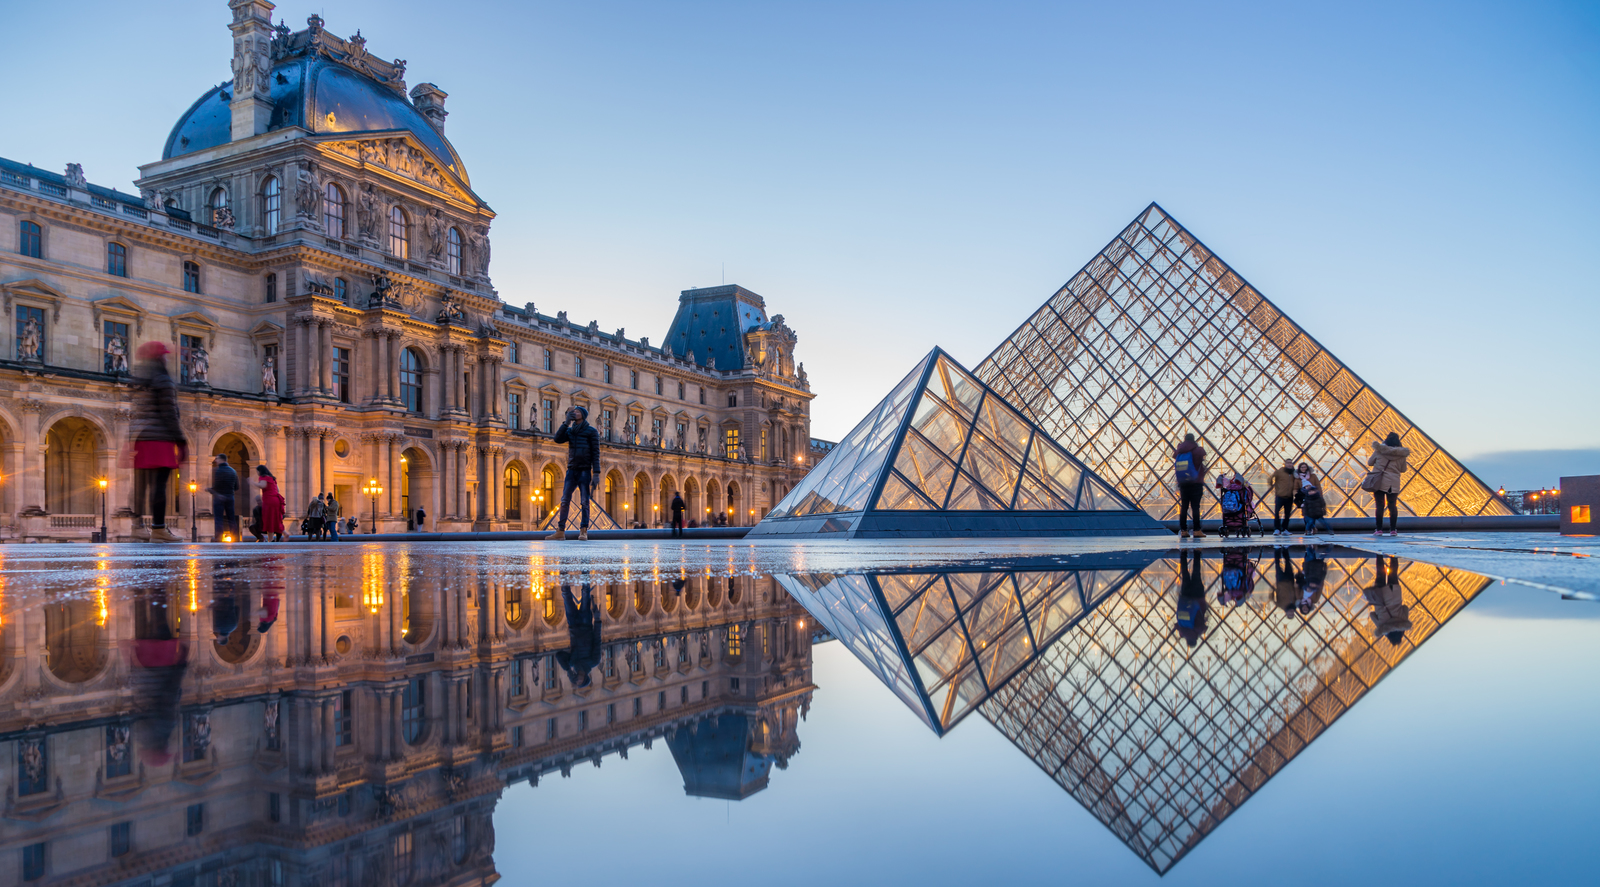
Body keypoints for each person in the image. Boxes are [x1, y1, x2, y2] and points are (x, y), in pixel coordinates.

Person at [128, 342, 187, 542]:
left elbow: (135, 412)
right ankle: (159, 529)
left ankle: (137, 527)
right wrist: (181, 440)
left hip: (140, 437)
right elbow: (170, 413)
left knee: (141, 485)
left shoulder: (139, 381)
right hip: (160, 437)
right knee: (159, 485)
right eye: (165, 356)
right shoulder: (163, 380)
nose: (167, 359)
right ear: (160, 359)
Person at [545, 406, 601, 541]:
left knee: (584, 502)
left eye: (577, 411)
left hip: (585, 470)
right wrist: (565, 423)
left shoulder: (591, 431)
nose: (574, 413)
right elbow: (557, 439)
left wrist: (596, 473)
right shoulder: (570, 431)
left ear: (583, 415)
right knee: (564, 500)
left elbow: (596, 453)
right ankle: (560, 530)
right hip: (571, 469)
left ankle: (583, 530)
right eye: (573, 412)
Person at [555, 583, 601, 687]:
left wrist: (568, 670)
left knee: (566, 595)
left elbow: (559, 655)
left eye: (576, 681)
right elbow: (597, 640)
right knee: (585, 593)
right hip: (586, 624)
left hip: (573, 626)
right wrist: (597, 620)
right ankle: (585, 569)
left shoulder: (572, 663)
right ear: (585, 679)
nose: (577, 680)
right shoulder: (594, 661)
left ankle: (564, 572)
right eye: (579, 681)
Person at [1366, 432, 1411, 537]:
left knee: (1380, 506)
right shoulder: (1401, 454)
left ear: (1386, 440)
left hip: (1379, 482)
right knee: (1392, 506)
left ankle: (1379, 529)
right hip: (1393, 483)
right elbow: (1403, 469)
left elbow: (1370, 462)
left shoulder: (1379, 451)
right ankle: (1393, 530)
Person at [1364, 555, 1411, 645]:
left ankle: (1393, 555)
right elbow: (1372, 615)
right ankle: (1379, 554)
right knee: (1380, 573)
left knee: (1393, 574)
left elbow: (1405, 608)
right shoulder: (1381, 626)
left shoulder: (1403, 622)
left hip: (1394, 594)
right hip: (1380, 596)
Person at [1173, 433, 1208, 540]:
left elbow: (1174, 455)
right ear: (1193, 440)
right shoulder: (1198, 450)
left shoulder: (1180, 450)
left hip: (1183, 483)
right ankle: (1197, 530)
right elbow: (1204, 455)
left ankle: (1183, 530)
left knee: (1184, 507)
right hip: (1196, 482)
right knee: (1195, 507)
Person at [1174, 549, 1208, 647]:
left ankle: (1197, 553)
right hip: (1185, 596)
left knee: (1197, 572)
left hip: (1198, 598)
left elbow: (1204, 625)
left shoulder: (1197, 630)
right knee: (1184, 574)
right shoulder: (1182, 632)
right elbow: (1176, 625)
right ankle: (1183, 555)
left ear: (1195, 640)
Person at [206, 454, 239, 542]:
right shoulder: (233, 471)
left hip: (219, 497)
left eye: (217, 459)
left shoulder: (218, 470)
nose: (215, 460)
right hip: (230, 496)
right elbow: (236, 487)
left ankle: (219, 537)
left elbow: (217, 485)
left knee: (218, 518)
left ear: (221, 459)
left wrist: (210, 490)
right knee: (231, 518)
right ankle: (235, 537)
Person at [1296, 463, 1332, 534]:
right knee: (1309, 520)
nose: (1304, 468)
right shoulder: (1297, 478)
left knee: (1313, 521)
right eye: (1302, 467)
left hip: (1316, 508)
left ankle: (1311, 530)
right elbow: (1295, 489)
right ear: (1299, 468)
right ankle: (1309, 530)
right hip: (1304, 499)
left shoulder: (1313, 476)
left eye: (1305, 467)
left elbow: (1318, 486)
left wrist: (1320, 495)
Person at [254, 466, 286, 542]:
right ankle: (277, 537)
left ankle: (271, 539)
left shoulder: (263, 477)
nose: (257, 473)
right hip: (276, 499)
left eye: (257, 471)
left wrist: (253, 483)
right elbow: (278, 489)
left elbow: (262, 485)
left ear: (260, 471)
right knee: (275, 519)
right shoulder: (273, 478)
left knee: (268, 519)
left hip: (269, 500)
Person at [1270, 458, 1298, 537]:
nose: (1290, 464)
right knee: (1277, 513)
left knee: (1287, 514)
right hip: (1280, 495)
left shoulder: (1294, 473)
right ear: (1285, 464)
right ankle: (1277, 529)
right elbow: (1270, 478)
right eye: (1288, 463)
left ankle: (1285, 529)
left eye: (1291, 463)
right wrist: (1274, 488)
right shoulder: (1279, 472)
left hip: (1289, 496)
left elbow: (1298, 482)